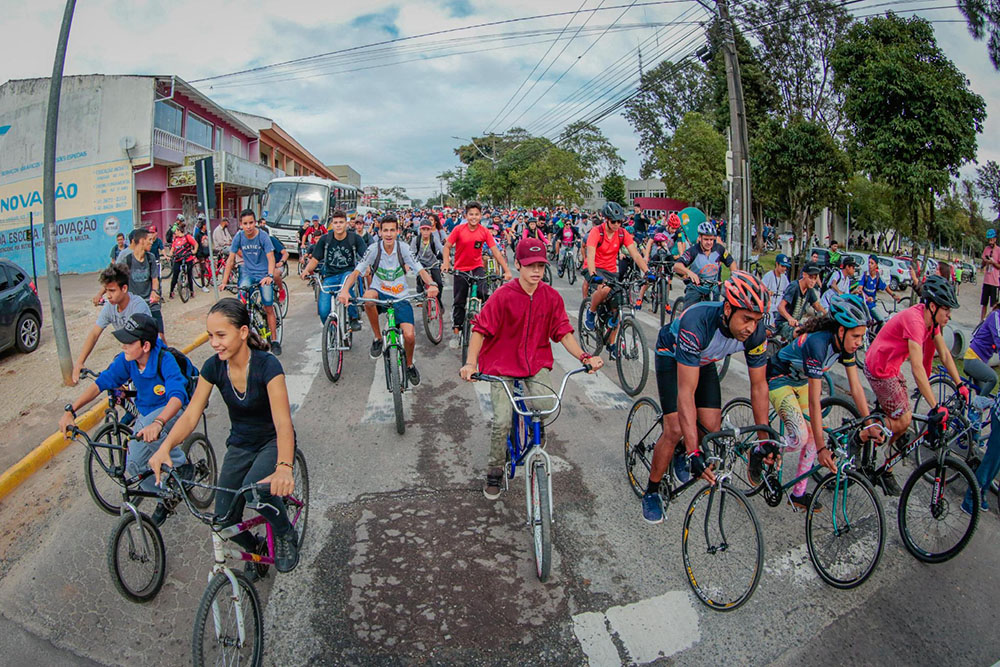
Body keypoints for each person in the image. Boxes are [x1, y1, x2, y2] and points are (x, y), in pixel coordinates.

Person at [148, 299, 299, 573]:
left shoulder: (268, 366)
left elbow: (283, 423)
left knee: (257, 491)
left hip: (272, 441)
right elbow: (191, 415)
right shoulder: (212, 367)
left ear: (242, 332)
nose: (214, 342)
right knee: (222, 520)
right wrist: (165, 446)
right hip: (240, 445)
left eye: (221, 335)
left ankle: (285, 531)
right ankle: (255, 548)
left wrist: (284, 468)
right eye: (210, 336)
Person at [459, 238, 603, 499]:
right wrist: (470, 363)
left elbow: (563, 332)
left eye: (540, 265)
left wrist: (585, 356)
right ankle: (494, 470)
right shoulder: (502, 296)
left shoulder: (550, 297)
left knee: (547, 406)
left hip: (534, 363)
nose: (535, 271)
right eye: (529, 265)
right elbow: (479, 330)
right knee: (502, 421)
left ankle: (536, 427)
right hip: (501, 364)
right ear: (517, 265)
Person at [642, 272, 772, 523]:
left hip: (704, 360)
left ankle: (682, 451)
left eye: (756, 320)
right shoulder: (697, 322)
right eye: (746, 319)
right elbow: (686, 394)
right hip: (672, 355)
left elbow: (759, 387)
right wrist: (694, 451)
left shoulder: (756, 334)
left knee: (711, 426)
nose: (751, 328)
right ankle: (652, 490)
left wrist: (764, 440)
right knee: (675, 427)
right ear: (727, 308)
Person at [60, 314, 189, 526]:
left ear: (145, 345)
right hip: (145, 416)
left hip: (172, 412)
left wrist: (159, 422)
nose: (123, 346)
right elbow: (101, 383)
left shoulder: (164, 360)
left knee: (148, 428)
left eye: (129, 342)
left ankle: (181, 463)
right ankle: (166, 495)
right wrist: (71, 410)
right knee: (134, 465)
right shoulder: (127, 361)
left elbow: (177, 397)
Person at [755, 295, 879, 510]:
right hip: (778, 378)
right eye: (856, 336)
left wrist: (869, 423)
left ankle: (798, 494)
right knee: (801, 437)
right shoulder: (818, 343)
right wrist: (823, 448)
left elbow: (856, 387)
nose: (859, 342)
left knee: (813, 435)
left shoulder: (844, 346)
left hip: (800, 381)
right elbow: (815, 400)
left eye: (862, 336)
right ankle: (760, 450)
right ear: (841, 331)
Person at [862, 275, 966, 496]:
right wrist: (936, 406)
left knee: (901, 417)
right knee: (904, 419)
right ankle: (864, 435)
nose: (949, 314)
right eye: (946, 309)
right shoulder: (916, 321)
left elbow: (945, 355)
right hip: (879, 368)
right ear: (932, 306)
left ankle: (887, 448)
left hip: (892, 367)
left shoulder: (933, 323)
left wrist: (960, 385)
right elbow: (917, 368)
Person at [337, 215, 440, 384]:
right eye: (385, 230)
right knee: (368, 297)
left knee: (409, 336)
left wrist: (432, 284)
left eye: (392, 230)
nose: (389, 234)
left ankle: (408, 365)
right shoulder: (373, 249)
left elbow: (420, 270)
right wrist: (345, 291)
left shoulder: (404, 248)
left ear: (398, 232)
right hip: (380, 293)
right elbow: (356, 272)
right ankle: (378, 338)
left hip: (401, 297)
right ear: (380, 232)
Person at [441, 202, 512, 349]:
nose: (474, 217)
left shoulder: (484, 231)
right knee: (459, 300)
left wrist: (506, 270)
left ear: (481, 216)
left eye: (477, 214)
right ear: (466, 216)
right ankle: (457, 328)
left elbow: (496, 252)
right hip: (461, 268)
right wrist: (446, 263)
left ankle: (484, 323)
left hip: (477, 267)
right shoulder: (459, 229)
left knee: (483, 292)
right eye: (471, 214)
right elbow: (447, 246)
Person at [582, 202, 653, 346]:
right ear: (606, 219)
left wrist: (647, 272)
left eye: (619, 221)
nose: (616, 224)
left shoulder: (622, 233)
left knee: (619, 305)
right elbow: (590, 255)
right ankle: (591, 312)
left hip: (611, 270)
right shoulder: (597, 232)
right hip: (594, 267)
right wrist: (593, 274)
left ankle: (612, 343)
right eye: (613, 221)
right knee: (605, 289)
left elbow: (636, 255)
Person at [72, 264, 151, 384]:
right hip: (130, 354)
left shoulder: (138, 307)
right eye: (106, 290)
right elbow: (94, 334)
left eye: (112, 291)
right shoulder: (110, 307)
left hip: (145, 355)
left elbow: (141, 344)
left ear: (124, 288)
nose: (108, 295)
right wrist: (79, 362)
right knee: (112, 386)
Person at [220, 209, 281, 356]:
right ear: (241, 224)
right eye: (245, 223)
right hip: (247, 272)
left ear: (255, 223)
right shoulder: (239, 237)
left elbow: (271, 258)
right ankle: (242, 339)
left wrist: (270, 275)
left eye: (251, 223)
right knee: (240, 305)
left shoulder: (263, 237)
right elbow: (231, 259)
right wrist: (224, 281)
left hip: (263, 273)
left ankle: (274, 340)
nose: (248, 226)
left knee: (268, 307)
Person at [302, 209, 367, 330]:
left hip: (348, 273)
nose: (338, 225)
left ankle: (353, 317)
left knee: (346, 283)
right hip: (330, 276)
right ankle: (333, 333)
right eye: (336, 222)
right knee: (323, 310)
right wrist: (306, 270)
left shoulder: (355, 239)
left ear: (346, 223)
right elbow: (315, 260)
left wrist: (367, 268)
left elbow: (366, 257)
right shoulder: (325, 239)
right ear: (332, 224)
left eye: (341, 222)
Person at [106, 228, 165, 342]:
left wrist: (154, 292)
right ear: (142, 241)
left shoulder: (151, 258)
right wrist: (103, 294)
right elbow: (114, 279)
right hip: (136, 305)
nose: (151, 242)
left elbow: (154, 279)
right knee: (139, 340)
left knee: (160, 337)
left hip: (151, 303)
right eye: (149, 240)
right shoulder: (127, 260)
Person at [672, 221, 734, 311]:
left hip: (714, 287)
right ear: (700, 238)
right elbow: (677, 266)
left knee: (719, 313)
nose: (709, 243)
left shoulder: (719, 249)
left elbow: (731, 263)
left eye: (711, 240)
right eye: (706, 239)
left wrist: (734, 278)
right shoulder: (693, 251)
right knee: (688, 315)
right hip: (696, 288)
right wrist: (689, 272)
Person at [775, 263, 827, 340]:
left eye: (815, 278)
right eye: (810, 277)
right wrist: (790, 319)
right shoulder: (794, 286)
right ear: (804, 275)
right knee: (801, 335)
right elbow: (780, 307)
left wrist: (828, 316)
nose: (813, 281)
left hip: (796, 324)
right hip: (783, 323)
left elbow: (817, 306)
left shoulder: (810, 290)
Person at [963, 301, 1000, 396]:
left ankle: (976, 409)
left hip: (981, 362)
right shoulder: (995, 316)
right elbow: (998, 338)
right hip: (973, 359)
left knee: (984, 396)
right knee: (993, 379)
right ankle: (978, 405)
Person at [859, 255, 900, 325]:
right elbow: (860, 289)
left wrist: (893, 295)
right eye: (869, 263)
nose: (869, 265)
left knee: (882, 322)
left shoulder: (878, 277)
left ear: (876, 265)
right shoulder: (865, 275)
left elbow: (886, 288)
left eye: (872, 263)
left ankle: (876, 335)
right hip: (862, 304)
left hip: (872, 305)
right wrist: (866, 297)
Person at [411, 221, 444, 303]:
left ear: (430, 230)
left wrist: (447, 258)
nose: (425, 232)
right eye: (423, 229)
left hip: (433, 263)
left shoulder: (434, 240)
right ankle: (420, 295)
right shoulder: (416, 240)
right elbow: (411, 254)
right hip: (421, 263)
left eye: (427, 229)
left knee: (439, 283)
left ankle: (439, 301)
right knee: (420, 278)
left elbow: (442, 249)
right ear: (420, 230)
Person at [168, 219, 198, 299]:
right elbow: (172, 249)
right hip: (178, 258)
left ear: (179, 230)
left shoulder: (187, 237)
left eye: (176, 231)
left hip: (188, 258)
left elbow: (195, 244)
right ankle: (171, 292)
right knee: (175, 274)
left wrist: (194, 251)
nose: (175, 233)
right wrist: (169, 255)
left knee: (189, 274)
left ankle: (191, 291)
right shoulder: (175, 239)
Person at [762, 254, 791, 321]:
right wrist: (767, 292)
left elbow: (788, 290)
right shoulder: (768, 276)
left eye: (785, 267)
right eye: (782, 266)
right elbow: (761, 289)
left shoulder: (784, 278)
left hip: (779, 309)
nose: (784, 269)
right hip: (769, 310)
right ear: (777, 264)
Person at [981, 229, 1000, 322]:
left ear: (995, 239)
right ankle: (981, 321)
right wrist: (985, 261)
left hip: (995, 282)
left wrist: (993, 262)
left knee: (994, 304)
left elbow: (999, 266)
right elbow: (982, 264)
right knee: (984, 303)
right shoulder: (986, 249)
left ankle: (993, 321)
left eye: (991, 240)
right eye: (989, 240)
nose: (990, 242)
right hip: (986, 280)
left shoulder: (998, 250)